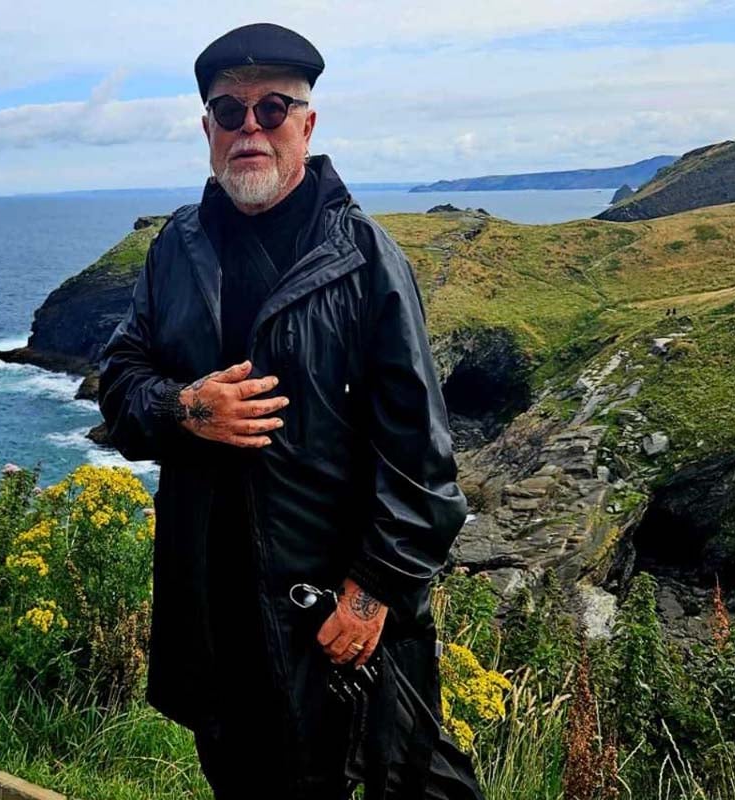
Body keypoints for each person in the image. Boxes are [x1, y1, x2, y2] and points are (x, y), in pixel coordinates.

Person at [96, 22, 479, 799]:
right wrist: (183, 407)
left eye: (272, 108)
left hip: (335, 625)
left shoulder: (367, 259)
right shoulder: (173, 250)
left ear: (307, 123)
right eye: (228, 111)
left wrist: (372, 591)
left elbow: (422, 461)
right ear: (207, 129)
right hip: (215, 622)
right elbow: (119, 382)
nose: (250, 128)